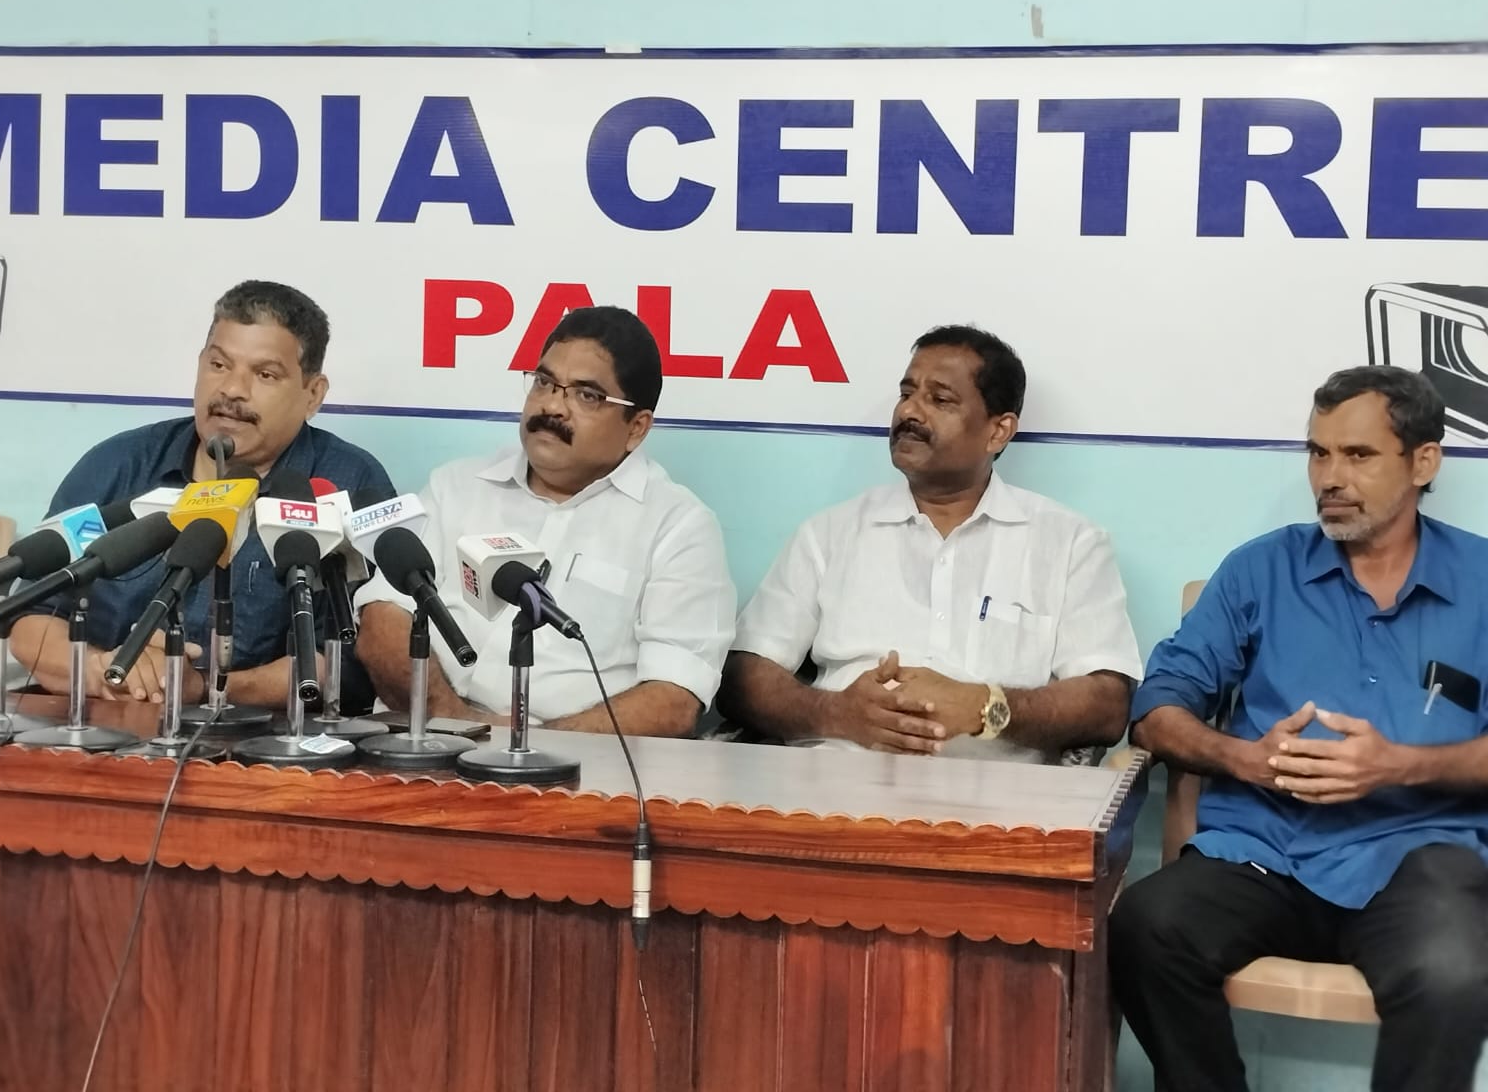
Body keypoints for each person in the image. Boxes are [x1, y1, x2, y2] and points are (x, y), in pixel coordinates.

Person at [1109, 365, 1488, 1092]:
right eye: (1318, 453)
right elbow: (1156, 709)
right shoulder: (1261, 570)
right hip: (1266, 853)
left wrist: (1398, 765)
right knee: (1146, 928)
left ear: (1424, 462)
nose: (1330, 478)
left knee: (1452, 972)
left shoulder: (1481, 580)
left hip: (1420, 858)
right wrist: (1242, 758)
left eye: (1358, 455)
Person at [721, 324, 1140, 762]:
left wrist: (985, 707)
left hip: (994, 797)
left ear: (998, 431)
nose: (910, 412)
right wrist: (834, 712)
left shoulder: (1070, 544)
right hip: (836, 783)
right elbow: (743, 675)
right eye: (907, 393)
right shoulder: (829, 534)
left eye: (940, 400)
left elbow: (1107, 704)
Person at [9, 280, 395, 708]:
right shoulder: (119, 465)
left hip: (260, 738)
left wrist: (207, 689)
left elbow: (345, 662)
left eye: (265, 374)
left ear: (312, 395)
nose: (232, 389)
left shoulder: (348, 482)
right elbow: (30, 619)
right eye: (218, 364)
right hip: (103, 720)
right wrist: (105, 672)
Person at [354, 305, 735, 736]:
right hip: (422, 737)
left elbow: (673, 699)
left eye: (587, 396)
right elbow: (383, 618)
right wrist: (453, 721)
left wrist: (529, 747)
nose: (553, 405)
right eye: (543, 382)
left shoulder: (678, 528)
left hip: (578, 763)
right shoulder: (455, 487)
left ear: (636, 428)